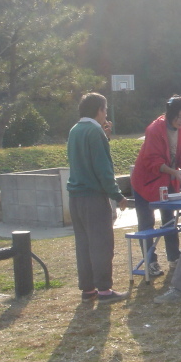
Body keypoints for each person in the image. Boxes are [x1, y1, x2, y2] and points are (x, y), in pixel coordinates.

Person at [66, 93, 128, 303]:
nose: (106, 114)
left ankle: (88, 289)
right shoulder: (95, 131)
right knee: (101, 243)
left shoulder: (75, 130)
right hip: (94, 197)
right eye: (105, 110)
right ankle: (104, 290)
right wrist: (117, 195)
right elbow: (103, 169)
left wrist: (105, 137)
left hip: (76, 197)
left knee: (84, 244)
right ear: (99, 110)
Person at [131, 95, 181, 276]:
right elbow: (152, 160)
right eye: (179, 117)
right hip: (146, 182)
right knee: (147, 222)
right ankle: (150, 262)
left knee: (170, 221)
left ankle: (174, 258)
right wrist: (174, 172)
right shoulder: (154, 129)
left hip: (168, 181)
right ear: (170, 114)